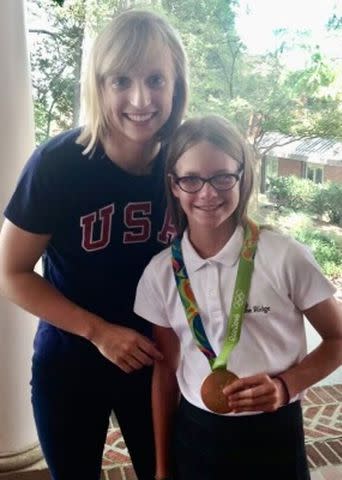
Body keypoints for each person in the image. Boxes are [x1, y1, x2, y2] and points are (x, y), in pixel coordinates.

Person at [0, 9, 188, 480]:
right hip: (71, 361)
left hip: (160, 362)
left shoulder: (187, 162)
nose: (140, 98)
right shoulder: (57, 164)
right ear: (98, 85)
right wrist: (99, 332)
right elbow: (11, 273)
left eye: (155, 79)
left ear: (176, 85)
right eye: (120, 80)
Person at [134, 115, 342, 480]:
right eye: (192, 179)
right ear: (175, 185)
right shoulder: (161, 272)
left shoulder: (283, 256)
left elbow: (338, 338)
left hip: (274, 431)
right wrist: (163, 467)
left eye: (222, 177)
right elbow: (165, 370)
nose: (208, 192)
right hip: (196, 434)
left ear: (243, 177)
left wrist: (285, 386)